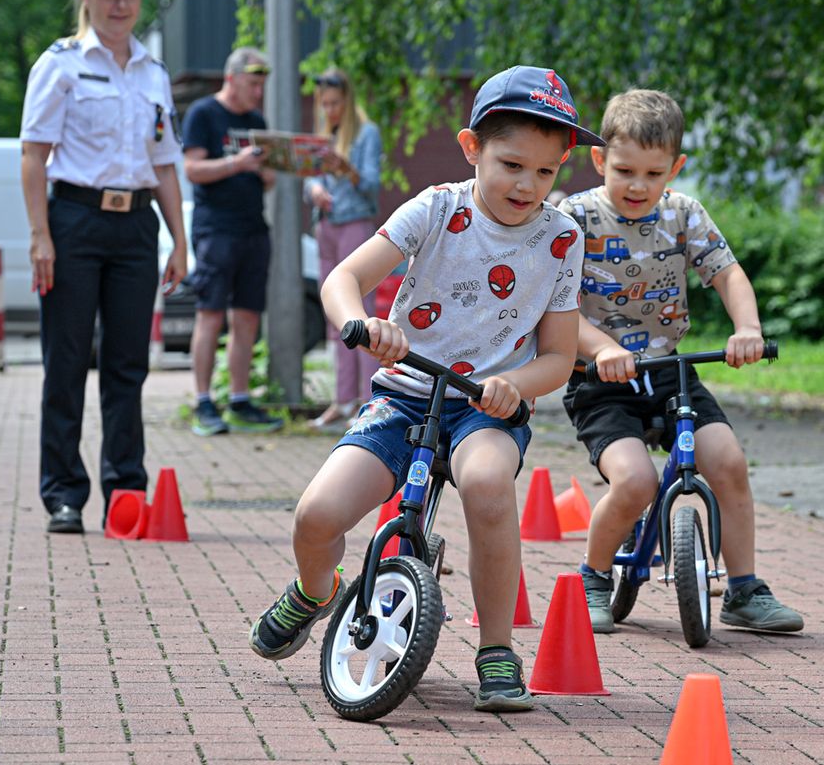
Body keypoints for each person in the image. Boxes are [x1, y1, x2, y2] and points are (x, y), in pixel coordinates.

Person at [249, 65, 599, 712]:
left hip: (484, 407)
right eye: (511, 164)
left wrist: (513, 383)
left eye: (545, 173)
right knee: (317, 514)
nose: (527, 185)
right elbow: (342, 278)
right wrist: (363, 321)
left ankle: (497, 648)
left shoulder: (562, 238)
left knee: (490, 484)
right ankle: (314, 589)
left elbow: (557, 356)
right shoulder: (437, 207)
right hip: (405, 391)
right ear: (472, 148)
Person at [558, 89, 804, 634]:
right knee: (634, 482)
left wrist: (748, 329)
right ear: (599, 160)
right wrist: (602, 349)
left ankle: (744, 589)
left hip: (669, 371)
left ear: (676, 167)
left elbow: (727, 273)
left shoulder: (683, 212)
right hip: (600, 379)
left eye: (654, 172)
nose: (639, 186)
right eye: (624, 170)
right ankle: (592, 578)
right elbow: (554, 307)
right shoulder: (572, 218)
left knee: (728, 463)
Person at [20, 0, 187, 535]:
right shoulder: (60, 64)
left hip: (136, 226)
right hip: (74, 221)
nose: (120, 5)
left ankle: (125, 492)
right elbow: (33, 155)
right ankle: (64, 493)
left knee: (126, 366)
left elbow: (166, 162)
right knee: (65, 362)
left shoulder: (153, 71)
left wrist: (180, 242)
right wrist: (41, 236)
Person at [183, 48, 284, 435]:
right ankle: (204, 402)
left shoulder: (256, 121)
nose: (258, 93)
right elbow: (192, 169)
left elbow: (269, 178)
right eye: (253, 84)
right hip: (215, 229)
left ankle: (240, 401)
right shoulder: (203, 114)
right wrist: (236, 164)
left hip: (253, 228)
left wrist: (266, 172)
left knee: (246, 317)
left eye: (261, 85)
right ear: (232, 78)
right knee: (210, 314)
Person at [303, 68, 384, 428]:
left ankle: (369, 401)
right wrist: (314, 191)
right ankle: (342, 399)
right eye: (325, 104)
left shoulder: (367, 134)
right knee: (334, 316)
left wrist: (345, 168)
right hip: (327, 227)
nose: (329, 110)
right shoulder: (324, 135)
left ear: (347, 101)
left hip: (355, 224)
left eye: (335, 103)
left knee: (361, 315)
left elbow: (370, 187)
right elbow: (311, 180)